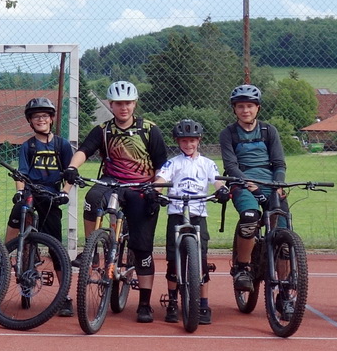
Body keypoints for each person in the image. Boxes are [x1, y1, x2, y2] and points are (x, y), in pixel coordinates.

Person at [66, 80, 168, 323]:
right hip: (112, 183)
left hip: (142, 187)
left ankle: (144, 303)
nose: (124, 108)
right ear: (111, 105)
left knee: (142, 248)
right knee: (91, 198)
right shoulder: (103, 130)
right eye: (119, 104)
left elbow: (164, 163)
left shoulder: (150, 130)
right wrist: (72, 167)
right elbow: (84, 150)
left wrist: (157, 188)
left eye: (128, 103)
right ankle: (92, 250)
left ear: (134, 104)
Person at [8, 96, 75, 316]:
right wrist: (19, 191)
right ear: (30, 121)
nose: (41, 120)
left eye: (44, 116)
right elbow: (21, 173)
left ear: (51, 119)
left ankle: (65, 296)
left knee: (56, 246)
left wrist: (65, 193)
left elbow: (70, 175)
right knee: (17, 212)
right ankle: (8, 254)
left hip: (52, 194)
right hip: (31, 191)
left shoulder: (62, 144)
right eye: (36, 117)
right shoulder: (28, 146)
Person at [154, 118, 226, 325]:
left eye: (192, 141)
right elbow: (161, 179)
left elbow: (217, 180)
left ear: (199, 140)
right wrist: (155, 191)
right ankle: (173, 302)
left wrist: (221, 190)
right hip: (176, 213)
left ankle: (203, 303)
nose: (188, 145)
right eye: (184, 141)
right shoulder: (173, 163)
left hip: (197, 214)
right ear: (178, 142)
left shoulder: (207, 163)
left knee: (201, 261)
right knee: (172, 261)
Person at [217, 84, 287, 294]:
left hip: (270, 183)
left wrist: (279, 185)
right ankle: (243, 267)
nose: (245, 110)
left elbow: (279, 163)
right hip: (241, 184)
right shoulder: (228, 133)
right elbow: (231, 166)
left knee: (284, 237)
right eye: (240, 106)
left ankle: (284, 290)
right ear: (234, 109)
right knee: (250, 217)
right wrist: (249, 185)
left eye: (249, 106)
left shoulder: (269, 131)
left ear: (257, 108)